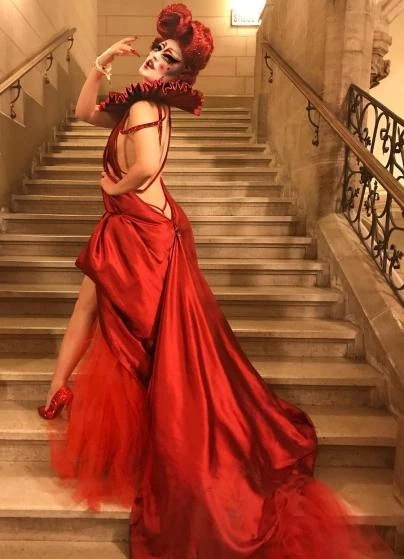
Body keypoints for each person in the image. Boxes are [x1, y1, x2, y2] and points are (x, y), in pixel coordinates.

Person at [37, 3, 393, 558]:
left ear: (180, 73)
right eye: (157, 49)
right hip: (138, 225)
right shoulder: (141, 102)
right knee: (98, 310)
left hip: (142, 230)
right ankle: (60, 389)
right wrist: (101, 62)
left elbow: (145, 168)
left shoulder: (145, 106)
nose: (157, 58)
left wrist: (112, 188)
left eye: (169, 57)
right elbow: (85, 113)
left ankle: (118, 417)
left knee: (138, 334)